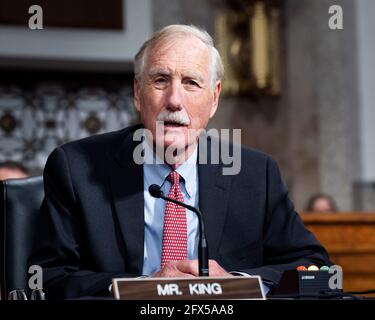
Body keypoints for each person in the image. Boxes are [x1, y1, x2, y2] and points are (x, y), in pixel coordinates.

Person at [29, 24, 331, 299]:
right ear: (138, 93)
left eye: (191, 83)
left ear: (213, 99)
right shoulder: (76, 168)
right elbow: (47, 278)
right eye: (161, 80)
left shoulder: (255, 173)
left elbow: (312, 265)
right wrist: (143, 287)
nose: (174, 100)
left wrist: (235, 282)